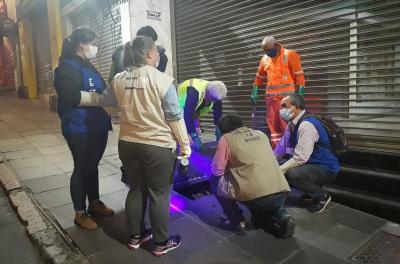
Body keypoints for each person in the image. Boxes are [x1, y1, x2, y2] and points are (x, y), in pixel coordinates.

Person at [109, 36, 191, 256]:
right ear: (148, 54)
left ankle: (135, 237)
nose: (158, 55)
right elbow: (175, 116)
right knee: (159, 193)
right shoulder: (162, 80)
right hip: (156, 145)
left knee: (136, 189)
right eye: (156, 51)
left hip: (127, 142)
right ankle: (161, 243)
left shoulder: (118, 78)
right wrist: (185, 145)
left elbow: (110, 106)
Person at [53, 27, 114, 230]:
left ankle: (94, 202)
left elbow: (102, 87)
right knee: (81, 167)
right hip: (79, 126)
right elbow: (70, 95)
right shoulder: (66, 67)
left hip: (97, 123)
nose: (94, 47)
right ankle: (80, 212)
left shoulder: (88, 64)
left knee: (93, 164)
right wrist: (98, 98)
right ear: (81, 44)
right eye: (92, 43)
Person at [210, 114, 295, 238]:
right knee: (266, 204)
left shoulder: (226, 139)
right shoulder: (260, 134)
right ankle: (282, 215)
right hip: (281, 192)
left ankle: (236, 221)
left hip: (256, 197)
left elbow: (217, 171)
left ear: (222, 129)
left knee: (214, 181)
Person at [107, 25, 168, 186]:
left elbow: (112, 80)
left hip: (132, 106)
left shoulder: (156, 53)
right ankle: (134, 175)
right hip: (140, 105)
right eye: (152, 43)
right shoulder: (122, 53)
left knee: (133, 140)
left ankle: (133, 175)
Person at [274, 94, 340, 213]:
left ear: (297, 106)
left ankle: (322, 196)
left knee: (292, 174)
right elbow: (281, 148)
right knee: (279, 165)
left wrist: (278, 170)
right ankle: (312, 190)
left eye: (285, 106)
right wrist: (271, 162)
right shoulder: (292, 124)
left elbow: (300, 158)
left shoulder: (306, 125)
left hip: (325, 167)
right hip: (311, 164)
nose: (281, 110)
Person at [251, 36, 305, 148]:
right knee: (273, 128)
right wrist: (255, 91)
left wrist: (300, 96)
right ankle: (277, 151)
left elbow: (299, 77)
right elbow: (259, 77)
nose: (267, 53)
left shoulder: (290, 55)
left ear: (276, 45)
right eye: (265, 51)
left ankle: (290, 151)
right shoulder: (265, 59)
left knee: (287, 125)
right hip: (271, 101)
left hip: (287, 102)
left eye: (269, 50)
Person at [178, 79, 227, 152]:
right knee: (185, 134)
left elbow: (218, 113)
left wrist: (219, 129)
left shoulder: (215, 92)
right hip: (179, 103)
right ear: (207, 92)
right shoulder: (194, 92)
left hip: (194, 104)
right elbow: (187, 115)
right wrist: (194, 136)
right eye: (213, 99)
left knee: (193, 127)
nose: (215, 102)